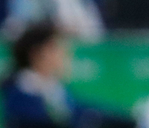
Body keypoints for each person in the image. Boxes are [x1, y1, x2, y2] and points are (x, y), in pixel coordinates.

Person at [1, 22, 132, 128]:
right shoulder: (18, 94)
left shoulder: (57, 91)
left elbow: (90, 111)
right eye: (56, 48)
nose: (64, 54)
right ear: (37, 53)